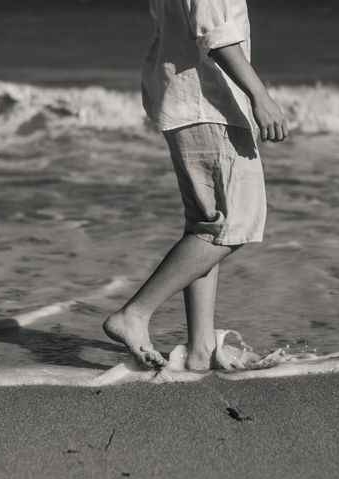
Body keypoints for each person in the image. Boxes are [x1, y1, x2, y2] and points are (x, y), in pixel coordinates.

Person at [103, 0, 289, 370]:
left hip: (188, 100)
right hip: (209, 102)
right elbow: (215, 34)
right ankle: (134, 314)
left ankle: (201, 348)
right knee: (231, 224)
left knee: (207, 225)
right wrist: (260, 96)